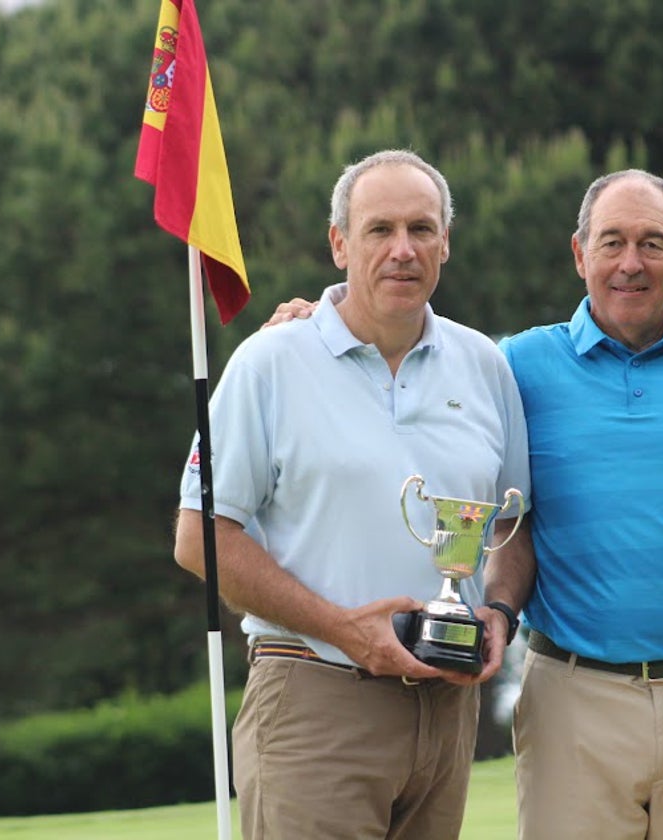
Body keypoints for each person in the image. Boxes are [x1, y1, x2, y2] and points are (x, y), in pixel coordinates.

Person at [266, 168, 663, 840]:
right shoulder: (514, 366)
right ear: (578, 253)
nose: (631, 263)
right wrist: (317, 326)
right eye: (612, 242)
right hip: (572, 696)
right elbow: (412, 380)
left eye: (652, 244)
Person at [173, 148, 532, 840]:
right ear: (340, 244)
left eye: (422, 229)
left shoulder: (484, 364)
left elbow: (515, 528)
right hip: (316, 697)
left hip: (447, 710)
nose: (403, 250)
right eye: (379, 230)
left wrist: (500, 613)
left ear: (445, 243)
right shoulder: (271, 362)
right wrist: (346, 632)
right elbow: (200, 539)